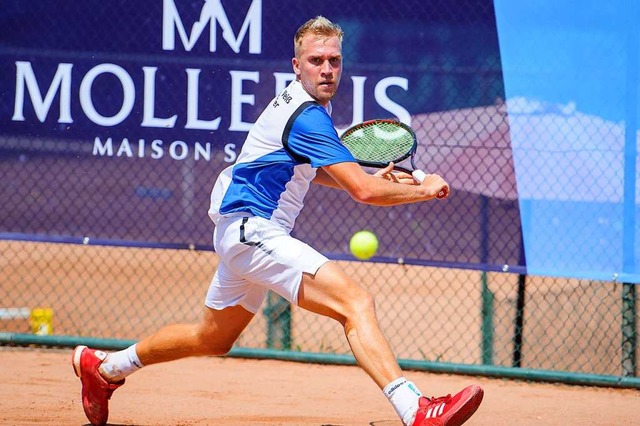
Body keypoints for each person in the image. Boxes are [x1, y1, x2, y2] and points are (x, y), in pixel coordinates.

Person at [72, 16, 483, 426]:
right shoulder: (307, 115)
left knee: (212, 338)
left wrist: (368, 178)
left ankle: (104, 368)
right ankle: (416, 410)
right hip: (254, 230)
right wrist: (424, 189)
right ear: (296, 64)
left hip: (241, 233)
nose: (326, 69)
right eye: (316, 60)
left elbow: (309, 169)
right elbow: (365, 193)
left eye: (334, 61)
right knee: (355, 303)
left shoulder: (301, 105)